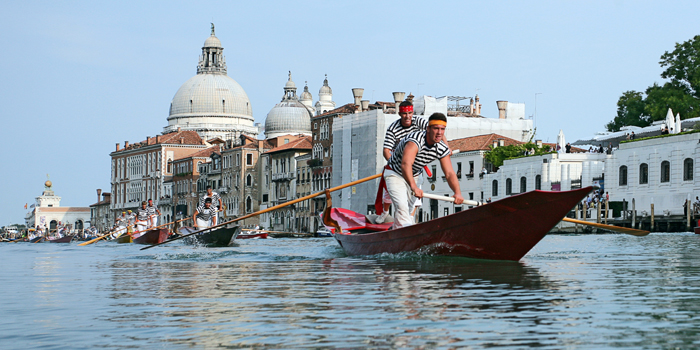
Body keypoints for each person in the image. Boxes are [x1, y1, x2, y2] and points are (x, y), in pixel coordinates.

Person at [383, 113, 463, 229]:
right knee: (401, 207)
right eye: (436, 128)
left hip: (415, 174)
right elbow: (406, 164)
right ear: (428, 128)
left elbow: (449, 173)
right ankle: (405, 237)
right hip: (395, 173)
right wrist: (414, 187)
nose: (439, 132)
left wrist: (457, 192)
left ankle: (395, 232)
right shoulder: (415, 140)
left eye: (442, 129)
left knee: (409, 213)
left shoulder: (441, 148)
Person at [375, 100, 428, 224]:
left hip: (415, 168)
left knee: (415, 196)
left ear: (413, 112)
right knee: (389, 193)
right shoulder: (393, 128)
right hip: (396, 167)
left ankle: (409, 220)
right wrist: (396, 166)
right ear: (400, 114)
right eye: (405, 113)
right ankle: (385, 213)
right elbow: (386, 151)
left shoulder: (419, 122)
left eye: (410, 113)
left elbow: (435, 130)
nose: (408, 116)